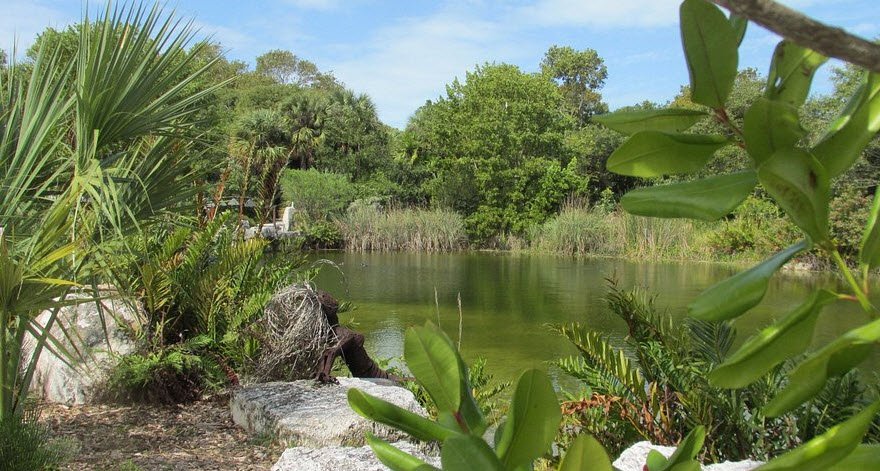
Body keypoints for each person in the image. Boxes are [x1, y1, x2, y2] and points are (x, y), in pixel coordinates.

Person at [313, 290, 401, 383]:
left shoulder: (344, 334)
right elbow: (328, 353)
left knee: (399, 381)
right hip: (369, 374)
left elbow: (331, 353)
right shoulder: (333, 334)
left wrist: (324, 374)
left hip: (373, 375)